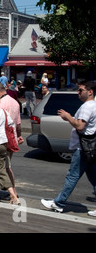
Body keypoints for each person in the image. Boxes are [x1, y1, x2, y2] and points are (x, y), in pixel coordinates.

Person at [41, 81, 96, 215]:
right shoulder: (93, 105)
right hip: (91, 148)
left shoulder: (87, 107)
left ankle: (58, 203)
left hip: (83, 148)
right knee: (94, 178)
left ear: (90, 92)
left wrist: (68, 117)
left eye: (81, 90)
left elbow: (80, 126)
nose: (78, 92)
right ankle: (59, 202)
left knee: (72, 176)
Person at [0, 82, 24, 201]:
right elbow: (18, 123)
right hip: (12, 139)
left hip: (2, 140)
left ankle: (13, 192)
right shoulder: (15, 102)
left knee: (5, 166)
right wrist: (19, 136)